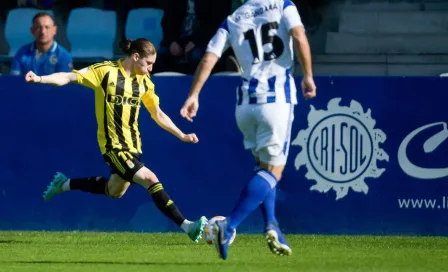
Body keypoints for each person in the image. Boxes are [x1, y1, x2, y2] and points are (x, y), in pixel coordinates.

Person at [25, 38, 207, 242]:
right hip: (113, 147)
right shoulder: (105, 72)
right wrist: (40, 79)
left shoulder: (144, 82)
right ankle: (187, 226)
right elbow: (67, 77)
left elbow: (157, 113)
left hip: (134, 146)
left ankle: (64, 184)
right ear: (136, 57)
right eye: (148, 64)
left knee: (114, 191)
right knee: (150, 179)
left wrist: (181, 134)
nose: (150, 69)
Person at [180, 0, 316, 260]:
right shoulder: (283, 5)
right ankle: (228, 225)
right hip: (276, 101)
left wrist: (194, 95)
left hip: (245, 105)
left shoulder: (233, 18)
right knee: (274, 171)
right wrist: (308, 75)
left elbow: (210, 56)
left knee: (263, 168)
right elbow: (298, 35)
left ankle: (271, 224)